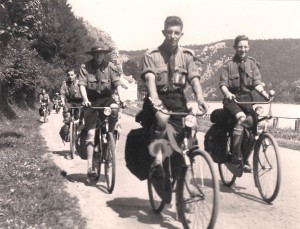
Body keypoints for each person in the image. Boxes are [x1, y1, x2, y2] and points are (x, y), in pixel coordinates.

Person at [140, 16, 208, 175]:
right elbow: (150, 78)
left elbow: (194, 79)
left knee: (191, 124)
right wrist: (155, 99)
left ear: (181, 34)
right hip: (157, 97)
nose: (173, 36)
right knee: (162, 120)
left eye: (176, 32)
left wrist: (200, 98)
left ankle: (187, 154)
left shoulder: (187, 55)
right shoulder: (152, 55)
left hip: (178, 98)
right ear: (164, 32)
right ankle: (157, 155)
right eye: (169, 32)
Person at [219, 35, 269, 172]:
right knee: (241, 119)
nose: (243, 49)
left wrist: (264, 94)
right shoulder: (228, 64)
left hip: (247, 100)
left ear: (248, 47)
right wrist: (228, 93)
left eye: (245, 46)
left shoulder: (252, 64)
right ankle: (235, 156)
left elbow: (257, 83)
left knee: (255, 128)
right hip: (231, 100)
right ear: (235, 47)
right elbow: (223, 84)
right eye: (240, 46)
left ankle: (244, 156)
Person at [78, 41, 125, 177]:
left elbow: (117, 85)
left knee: (115, 108)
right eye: (96, 54)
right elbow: (82, 84)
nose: (99, 56)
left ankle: (110, 136)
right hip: (91, 101)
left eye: (101, 53)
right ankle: (89, 167)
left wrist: (121, 99)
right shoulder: (85, 67)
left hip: (106, 100)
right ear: (93, 55)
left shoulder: (111, 67)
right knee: (91, 133)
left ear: (105, 54)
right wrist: (85, 100)